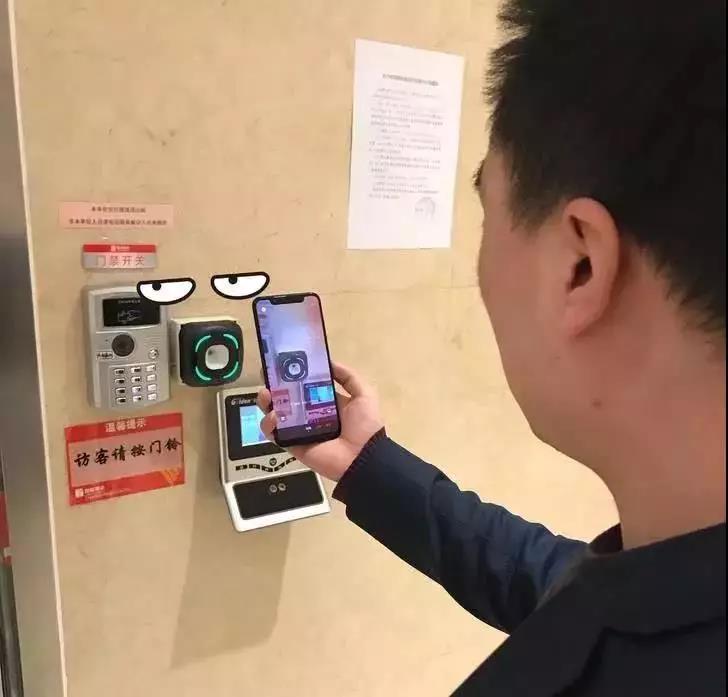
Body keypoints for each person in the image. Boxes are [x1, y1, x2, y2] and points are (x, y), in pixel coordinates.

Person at [259, 1, 726, 694]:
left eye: (488, 216)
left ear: (580, 265)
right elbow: (571, 591)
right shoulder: (675, 587)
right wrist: (368, 466)